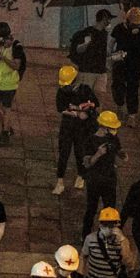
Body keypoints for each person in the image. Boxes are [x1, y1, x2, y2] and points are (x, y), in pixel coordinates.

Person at [54, 65, 98, 196]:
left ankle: (81, 175)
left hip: (82, 128)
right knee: (64, 153)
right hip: (67, 127)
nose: (65, 87)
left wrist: (86, 112)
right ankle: (60, 181)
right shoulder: (62, 92)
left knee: (80, 152)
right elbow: (60, 108)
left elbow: (95, 104)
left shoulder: (85, 90)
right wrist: (73, 113)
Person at [81, 110, 124, 239]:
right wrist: (98, 154)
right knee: (91, 209)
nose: (114, 131)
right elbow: (88, 163)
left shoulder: (114, 139)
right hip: (94, 179)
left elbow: (119, 150)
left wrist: (122, 155)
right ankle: (85, 235)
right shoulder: (90, 140)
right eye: (112, 128)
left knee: (110, 209)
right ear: (104, 127)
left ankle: (108, 235)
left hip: (109, 178)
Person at [0, 22, 25, 144]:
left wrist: (2, 57)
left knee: (6, 109)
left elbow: (16, 65)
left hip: (9, 83)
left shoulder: (16, 47)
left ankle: (5, 135)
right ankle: (7, 127)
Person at [110, 8, 140, 121]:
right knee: (118, 86)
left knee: (133, 89)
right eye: (134, 25)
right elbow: (111, 45)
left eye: (138, 25)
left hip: (135, 65)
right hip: (120, 63)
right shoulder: (118, 29)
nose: (136, 27)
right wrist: (113, 56)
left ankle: (132, 114)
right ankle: (120, 106)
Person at [69, 9, 114, 96]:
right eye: (109, 19)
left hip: (101, 72)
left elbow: (103, 51)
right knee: (84, 99)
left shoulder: (104, 33)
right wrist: (86, 43)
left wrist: (113, 56)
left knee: (98, 99)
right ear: (104, 19)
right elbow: (78, 49)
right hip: (87, 71)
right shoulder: (87, 32)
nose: (109, 22)